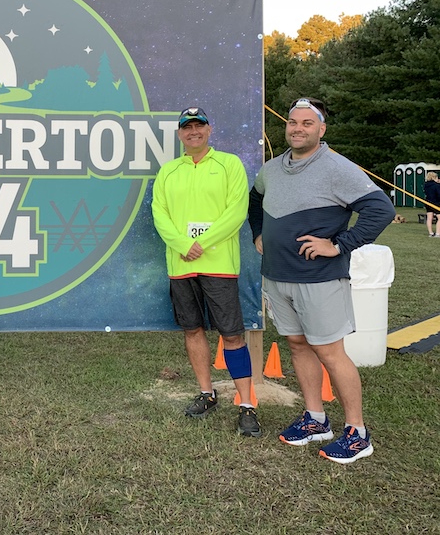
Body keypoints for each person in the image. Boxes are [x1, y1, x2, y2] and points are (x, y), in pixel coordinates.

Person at [248, 97, 395, 464]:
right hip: (277, 275)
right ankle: (316, 419)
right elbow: (255, 199)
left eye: (307, 124)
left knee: (330, 351)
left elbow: (381, 209)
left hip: (319, 278)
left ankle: (357, 433)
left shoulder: (336, 167)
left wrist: (339, 245)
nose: (297, 128)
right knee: (297, 345)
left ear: (321, 129)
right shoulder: (273, 168)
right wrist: (257, 233)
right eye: (293, 122)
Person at [151, 107, 260, 437]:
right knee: (193, 329)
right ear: (180, 134)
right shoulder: (168, 171)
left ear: (209, 130)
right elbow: (160, 214)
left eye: (199, 126)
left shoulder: (229, 165)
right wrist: (184, 244)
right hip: (181, 265)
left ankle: (246, 405)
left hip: (219, 266)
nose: (193, 131)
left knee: (232, 335)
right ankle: (206, 393)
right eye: (187, 127)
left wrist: (202, 242)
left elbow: (236, 211)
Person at [423, 171, 440, 236]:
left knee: (429, 218)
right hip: (436, 203)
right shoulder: (436, 185)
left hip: (428, 203)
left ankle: (431, 233)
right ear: (434, 177)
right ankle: (438, 233)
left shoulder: (426, 185)